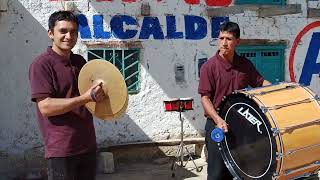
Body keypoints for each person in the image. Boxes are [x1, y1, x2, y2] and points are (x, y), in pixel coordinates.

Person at [29, 11, 106, 180]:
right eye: (63, 31)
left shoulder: (80, 62)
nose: (68, 36)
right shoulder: (41, 65)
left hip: (88, 145)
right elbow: (46, 107)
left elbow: (91, 98)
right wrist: (86, 98)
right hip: (62, 149)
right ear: (51, 33)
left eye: (73, 31)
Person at [198, 21, 271, 180]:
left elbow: (260, 83)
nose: (224, 43)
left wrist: (279, 90)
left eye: (229, 39)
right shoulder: (209, 67)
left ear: (237, 41)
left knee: (243, 171)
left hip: (242, 127)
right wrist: (218, 120)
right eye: (221, 38)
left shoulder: (244, 64)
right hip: (217, 126)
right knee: (217, 173)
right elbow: (205, 98)